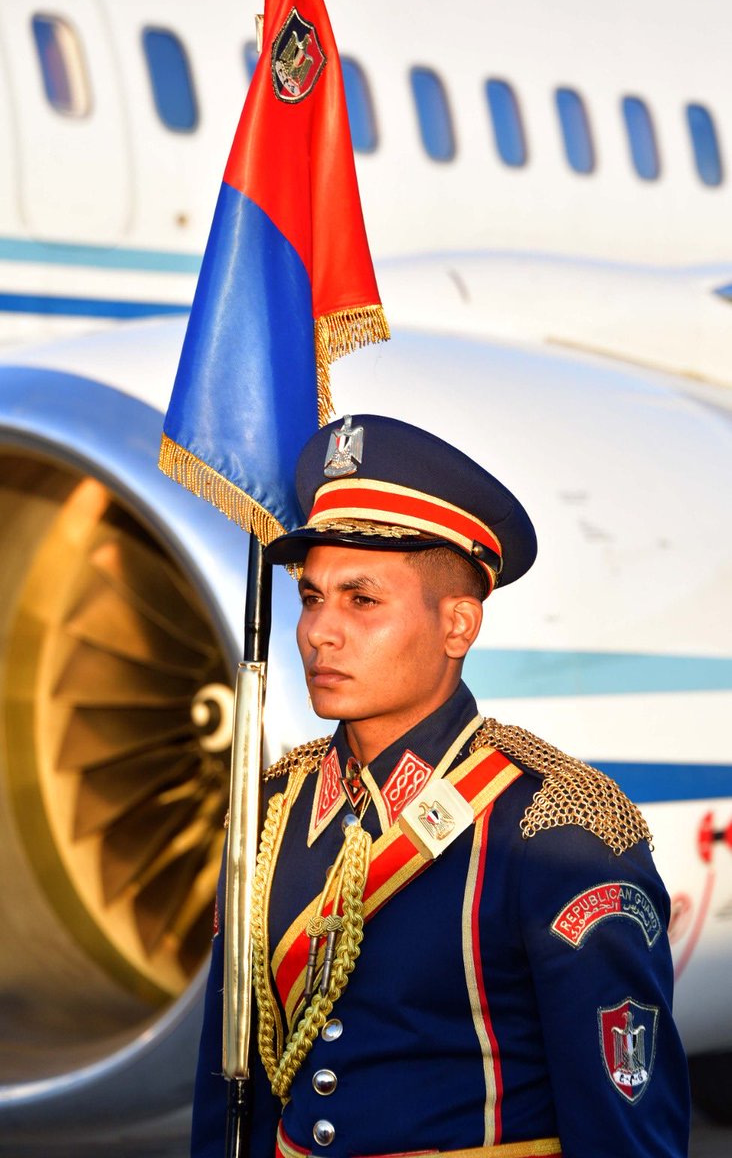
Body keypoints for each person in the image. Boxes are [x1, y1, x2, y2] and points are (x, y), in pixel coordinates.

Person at [192, 413, 690, 1158]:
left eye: (362, 601)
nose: (320, 631)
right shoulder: (269, 814)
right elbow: (229, 1098)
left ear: (458, 626)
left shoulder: (556, 832)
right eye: (312, 598)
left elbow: (626, 1128)